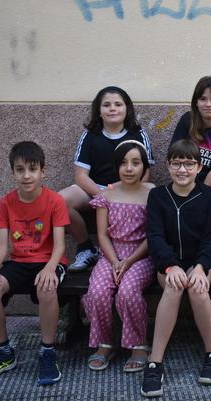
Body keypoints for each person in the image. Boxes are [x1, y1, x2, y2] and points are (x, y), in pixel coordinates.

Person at [0, 141, 68, 385]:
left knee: (47, 287)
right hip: (19, 262)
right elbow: (2, 245)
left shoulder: (55, 200)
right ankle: (3, 351)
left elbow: (59, 246)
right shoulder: (6, 202)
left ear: (42, 171)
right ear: (12, 172)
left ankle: (47, 351)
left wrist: (49, 268)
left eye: (32, 169)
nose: (26, 175)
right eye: (20, 169)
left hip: (48, 261)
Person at [141, 139, 211, 398]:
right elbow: (155, 237)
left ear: (199, 167)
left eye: (189, 164)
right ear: (168, 165)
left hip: (201, 263)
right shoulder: (157, 196)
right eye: (176, 164)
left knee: (198, 289)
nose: (182, 170)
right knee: (174, 287)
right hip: (168, 265)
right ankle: (155, 363)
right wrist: (170, 266)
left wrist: (201, 267)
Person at [61, 86, 155, 272]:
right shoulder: (90, 135)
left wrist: (118, 193)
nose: (112, 108)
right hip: (95, 191)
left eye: (118, 104)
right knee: (59, 201)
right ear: (99, 110)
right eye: (106, 105)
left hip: (128, 189)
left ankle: (136, 252)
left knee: (152, 190)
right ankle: (87, 248)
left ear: (127, 108)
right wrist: (105, 196)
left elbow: (145, 174)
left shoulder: (138, 134)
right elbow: (80, 176)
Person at [82, 141, 155, 373]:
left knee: (127, 291)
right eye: (123, 163)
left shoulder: (152, 195)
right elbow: (102, 235)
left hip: (141, 257)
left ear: (144, 166)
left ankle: (139, 345)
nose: (129, 168)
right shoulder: (106, 195)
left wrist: (129, 261)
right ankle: (104, 343)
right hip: (110, 255)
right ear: (116, 166)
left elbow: (152, 236)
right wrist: (114, 261)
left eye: (136, 163)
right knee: (97, 291)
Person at [170, 75, 211, 188]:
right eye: (203, 99)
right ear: (196, 102)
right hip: (185, 182)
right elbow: (173, 155)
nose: (208, 104)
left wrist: (201, 194)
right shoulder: (187, 121)